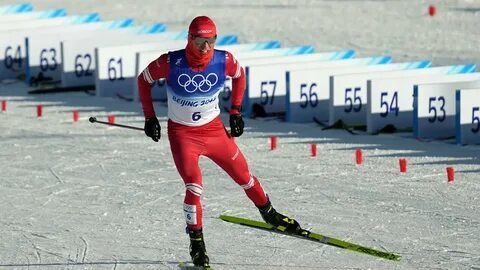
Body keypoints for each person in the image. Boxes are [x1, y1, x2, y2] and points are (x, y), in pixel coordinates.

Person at [137, 16, 301, 268]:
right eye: (201, 41)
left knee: (244, 176)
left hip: (214, 132)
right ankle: (197, 244)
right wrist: (150, 117)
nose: (206, 47)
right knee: (194, 186)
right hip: (184, 135)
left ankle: (270, 215)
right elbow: (143, 79)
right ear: (190, 38)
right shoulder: (170, 62)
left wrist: (235, 111)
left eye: (211, 41)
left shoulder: (223, 59)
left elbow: (240, 75)